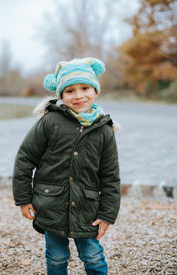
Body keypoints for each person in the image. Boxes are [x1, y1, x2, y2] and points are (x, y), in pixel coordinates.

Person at [12, 57, 121, 275]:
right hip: (51, 204)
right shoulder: (49, 122)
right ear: (61, 95)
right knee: (56, 257)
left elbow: (110, 176)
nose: (79, 95)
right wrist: (23, 199)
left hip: (87, 210)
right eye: (70, 91)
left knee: (93, 257)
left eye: (85, 88)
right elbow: (25, 158)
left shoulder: (104, 130)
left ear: (95, 91)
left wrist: (108, 214)